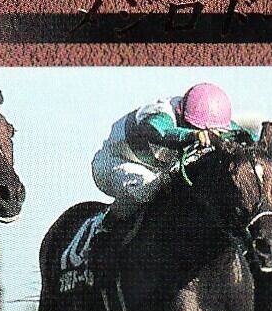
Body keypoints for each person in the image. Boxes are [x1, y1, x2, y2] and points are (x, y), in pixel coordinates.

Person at [88, 82, 245, 268]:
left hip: (158, 168)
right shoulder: (161, 113)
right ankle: (102, 227)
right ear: (181, 114)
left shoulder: (218, 120)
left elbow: (246, 140)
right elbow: (159, 132)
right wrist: (192, 135)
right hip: (115, 162)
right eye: (195, 127)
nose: (209, 135)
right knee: (148, 188)